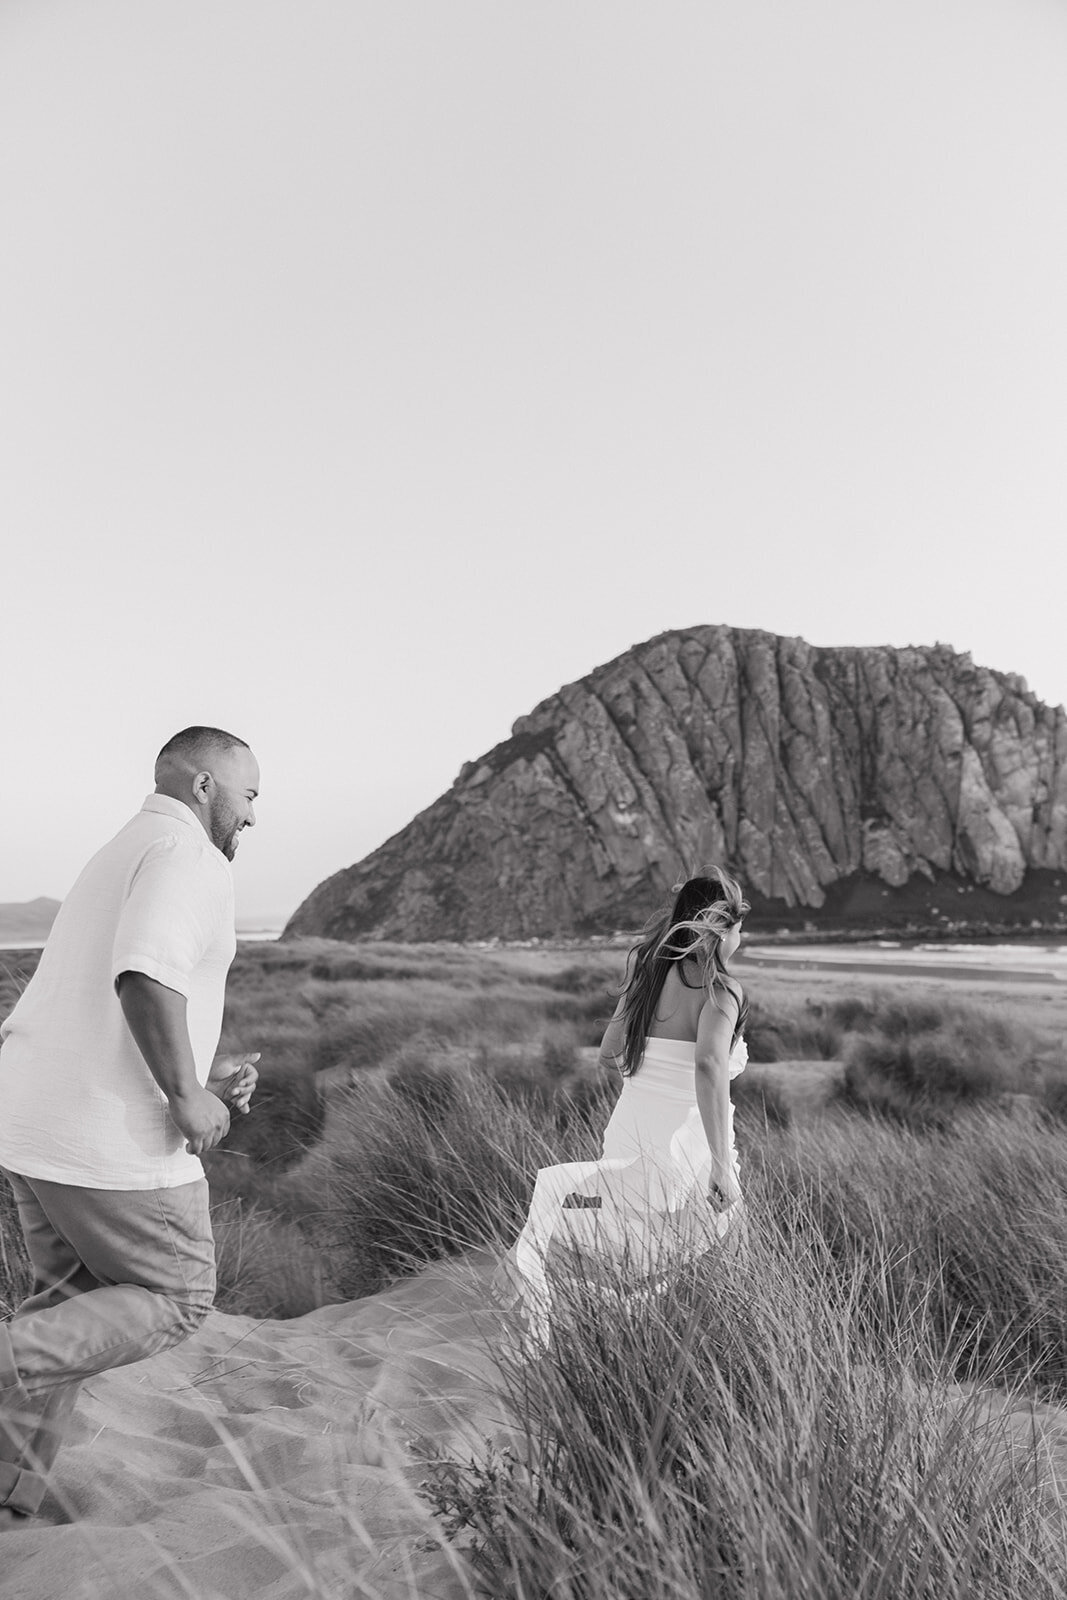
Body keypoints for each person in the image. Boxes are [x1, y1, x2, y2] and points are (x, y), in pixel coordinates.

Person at [0, 726, 262, 1528]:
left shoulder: (120, 850)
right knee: (178, 1295)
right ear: (204, 785)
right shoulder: (187, 854)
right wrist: (185, 1095)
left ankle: (9, 1503)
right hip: (102, 1143)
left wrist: (202, 1071)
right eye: (249, 795)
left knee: (68, 1302)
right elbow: (143, 973)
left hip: (33, 1123)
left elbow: (97, 991)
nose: (253, 817)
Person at [499, 867, 750, 1342]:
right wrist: (720, 1163)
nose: (741, 938)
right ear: (720, 929)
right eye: (738, 928)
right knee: (719, 1244)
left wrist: (653, 1058)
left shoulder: (645, 972)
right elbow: (710, 1068)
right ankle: (676, 1344)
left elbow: (610, 1054)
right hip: (689, 1146)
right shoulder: (722, 990)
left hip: (629, 1129)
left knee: (636, 1237)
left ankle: (587, 1305)